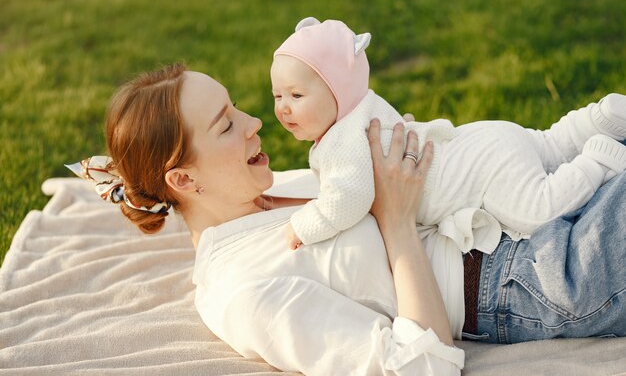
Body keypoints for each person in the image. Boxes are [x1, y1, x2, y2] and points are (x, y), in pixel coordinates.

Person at [68, 63, 626, 376]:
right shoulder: (245, 293)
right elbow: (416, 369)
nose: (256, 121)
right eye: (225, 125)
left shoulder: (273, 188)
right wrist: (399, 224)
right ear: (184, 181)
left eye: (236, 106)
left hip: (524, 202)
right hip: (531, 277)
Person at [271, 17, 626, 251]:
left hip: (481, 175)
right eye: (277, 96)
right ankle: (596, 119)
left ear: (338, 90)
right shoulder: (367, 107)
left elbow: (348, 198)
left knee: (539, 209)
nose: (283, 107)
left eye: (296, 95)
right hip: (483, 138)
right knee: (548, 144)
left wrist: (305, 226)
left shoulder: (343, 142)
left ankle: (597, 158)